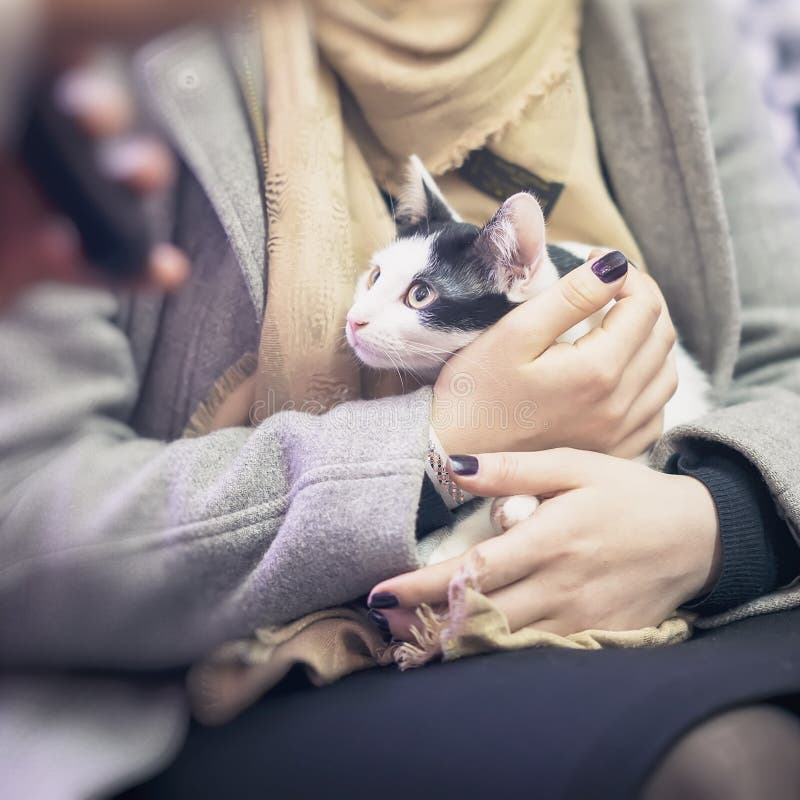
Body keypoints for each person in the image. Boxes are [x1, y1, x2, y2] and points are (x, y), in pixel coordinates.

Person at [2, 1, 800, 799]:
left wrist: (715, 522)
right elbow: (20, 512)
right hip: (264, 661)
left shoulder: (657, 19)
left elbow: (785, 357)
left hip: (696, 582)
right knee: (729, 770)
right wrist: (432, 450)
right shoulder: (95, 31)